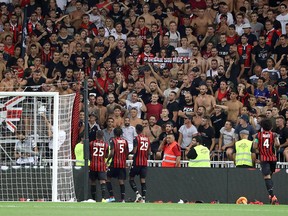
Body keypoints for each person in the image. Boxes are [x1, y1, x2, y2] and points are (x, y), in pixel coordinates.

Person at [253, 118, 280, 205]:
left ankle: (272, 196)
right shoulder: (274, 135)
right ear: (271, 127)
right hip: (273, 158)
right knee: (270, 176)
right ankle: (270, 196)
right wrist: (276, 149)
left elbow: (254, 146)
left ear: (262, 127)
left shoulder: (258, 135)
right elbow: (277, 144)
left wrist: (259, 150)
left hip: (264, 159)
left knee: (267, 177)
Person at [106, 127, 129, 202]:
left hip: (114, 164)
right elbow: (127, 152)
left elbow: (112, 153)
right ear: (121, 133)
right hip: (122, 164)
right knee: (121, 181)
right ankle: (122, 199)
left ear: (114, 133)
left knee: (107, 178)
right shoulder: (125, 141)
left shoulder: (113, 140)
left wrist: (107, 161)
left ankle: (112, 196)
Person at [129, 124, 151, 203]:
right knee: (143, 180)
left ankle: (138, 194)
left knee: (131, 178)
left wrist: (128, 152)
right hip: (144, 163)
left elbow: (134, 151)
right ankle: (144, 198)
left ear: (136, 130)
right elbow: (149, 152)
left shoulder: (136, 139)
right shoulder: (147, 139)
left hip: (137, 162)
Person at [89, 131, 109, 202]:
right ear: (103, 136)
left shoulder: (91, 143)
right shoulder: (105, 145)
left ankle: (94, 199)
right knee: (102, 181)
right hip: (101, 165)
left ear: (96, 135)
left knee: (93, 182)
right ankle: (103, 198)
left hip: (93, 165)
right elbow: (106, 155)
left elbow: (90, 154)